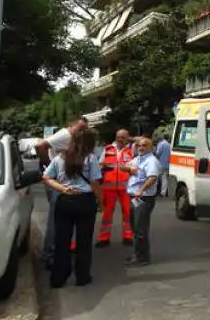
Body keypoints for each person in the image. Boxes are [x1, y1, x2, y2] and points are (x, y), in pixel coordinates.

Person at [42, 128, 102, 288]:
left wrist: (62, 188)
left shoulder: (60, 157)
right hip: (85, 201)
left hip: (65, 201)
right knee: (84, 241)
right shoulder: (90, 158)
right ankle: (82, 277)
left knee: (61, 240)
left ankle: (58, 278)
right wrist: (100, 202)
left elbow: (46, 177)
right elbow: (95, 183)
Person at [35, 117, 89, 268]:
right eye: (79, 128)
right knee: (55, 218)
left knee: (61, 217)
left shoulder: (72, 138)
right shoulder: (65, 135)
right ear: (71, 126)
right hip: (56, 182)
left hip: (60, 182)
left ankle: (56, 251)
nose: (82, 131)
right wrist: (48, 165)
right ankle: (50, 254)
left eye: (84, 129)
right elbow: (40, 146)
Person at [120, 137, 161, 267]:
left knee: (140, 229)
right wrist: (129, 169)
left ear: (151, 147)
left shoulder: (151, 161)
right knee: (135, 228)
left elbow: (152, 178)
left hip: (143, 198)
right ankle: (138, 253)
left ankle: (143, 258)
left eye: (144, 145)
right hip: (133, 198)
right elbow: (122, 166)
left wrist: (141, 190)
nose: (141, 148)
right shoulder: (137, 159)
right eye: (139, 146)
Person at [96, 129, 135, 248]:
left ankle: (128, 236)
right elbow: (100, 165)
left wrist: (132, 139)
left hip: (126, 187)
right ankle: (104, 238)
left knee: (128, 213)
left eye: (123, 137)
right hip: (108, 186)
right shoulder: (107, 149)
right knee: (106, 214)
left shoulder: (132, 149)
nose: (120, 139)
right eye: (118, 136)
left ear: (128, 138)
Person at [155, 132, 172, 197]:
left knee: (156, 178)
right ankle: (164, 192)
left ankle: (155, 191)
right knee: (165, 178)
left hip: (160, 164)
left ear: (163, 138)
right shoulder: (170, 145)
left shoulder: (161, 144)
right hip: (167, 164)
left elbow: (158, 153)